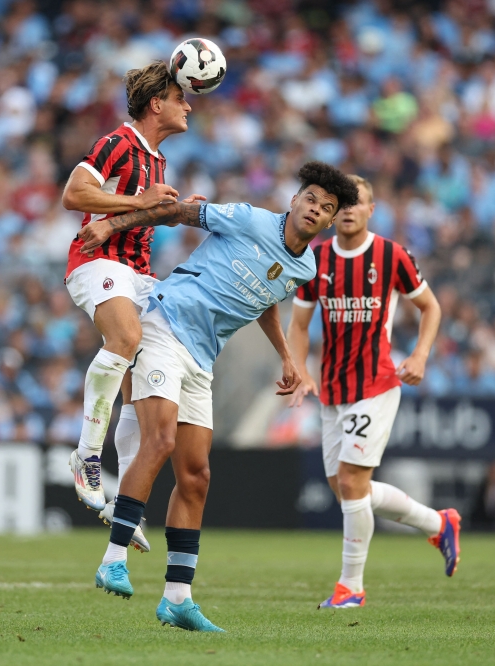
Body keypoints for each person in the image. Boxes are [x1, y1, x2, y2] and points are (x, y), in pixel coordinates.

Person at [79, 162, 359, 632]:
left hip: (202, 359)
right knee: (160, 441)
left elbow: (266, 297)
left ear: (329, 223)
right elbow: (178, 212)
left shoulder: (305, 266)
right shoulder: (249, 218)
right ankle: (113, 558)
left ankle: (177, 598)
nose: (315, 209)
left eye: (326, 208)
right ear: (294, 201)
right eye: (310, 199)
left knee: (196, 476)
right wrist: (113, 223)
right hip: (164, 327)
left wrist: (288, 357)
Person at [285, 174, 458, 610]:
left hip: (376, 383)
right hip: (333, 389)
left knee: (350, 481)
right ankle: (438, 523)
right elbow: (300, 325)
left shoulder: (391, 255)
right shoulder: (316, 258)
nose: (346, 209)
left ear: (370, 210)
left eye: (355, 202)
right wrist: (299, 368)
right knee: (347, 488)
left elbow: (430, 307)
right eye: (340, 203)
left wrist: (419, 356)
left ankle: (351, 587)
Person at [60, 61, 205, 553]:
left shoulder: (159, 160)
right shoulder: (117, 142)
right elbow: (74, 193)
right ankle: (86, 455)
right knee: (126, 339)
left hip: (138, 274)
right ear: (155, 103)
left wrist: (177, 210)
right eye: (179, 96)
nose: (189, 104)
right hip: (97, 260)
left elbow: (140, 211)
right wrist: (141, 201)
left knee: (136, 388)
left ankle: (120, 497)